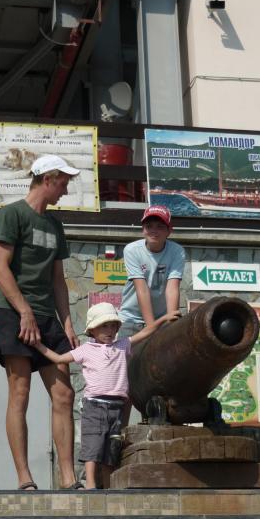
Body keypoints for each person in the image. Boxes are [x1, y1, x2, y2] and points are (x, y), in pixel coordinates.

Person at [0, 154, 82, 490]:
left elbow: (58, 279)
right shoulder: (11, 214)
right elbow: (0, 269)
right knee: (20, 392)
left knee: (64, 395)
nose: (66, 189)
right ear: (48, 179)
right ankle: (24, 477)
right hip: (14, 313)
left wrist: (68, 323)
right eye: (64, 182)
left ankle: (69, 478)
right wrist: (25, 311)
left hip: (48, 317)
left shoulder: (55, 224)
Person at [36, 302, 180, 489]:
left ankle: (109, 485)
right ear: (92, 330)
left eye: (113, 325)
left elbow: (146, 332)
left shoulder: (122, 345)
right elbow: (58, 359)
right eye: (104, 325)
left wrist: (163, 318)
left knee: (112, 448)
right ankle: (90, 484)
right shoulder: (86, 350)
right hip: (95, 406)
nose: (110, 330)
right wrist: (37, 345)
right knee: (93, 445)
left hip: (117, 407)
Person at [119, 205, 185, 339]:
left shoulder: (177, 251)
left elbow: (172, 289)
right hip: (131, 318)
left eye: (160, 226)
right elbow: (141, 290)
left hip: (162, 318)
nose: (154, 231)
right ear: (143, 230)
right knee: (121, 357)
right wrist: (151, 328)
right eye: (149, 226)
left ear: (169, 231)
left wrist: (171, 324)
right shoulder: (132, 250)